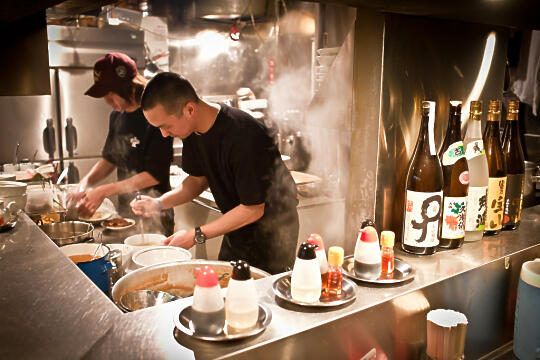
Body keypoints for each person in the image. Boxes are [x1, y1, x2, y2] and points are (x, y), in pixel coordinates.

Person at [131, 72, 299, 274]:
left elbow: (253, 209)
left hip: (273, 234)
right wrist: (158, 203)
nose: (164, 134)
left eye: (165, 126)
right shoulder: (192, 132)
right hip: (237, 227)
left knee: (256, 298)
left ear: (190, 109)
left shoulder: (244, 135)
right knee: (225, 288)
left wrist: (196, 235)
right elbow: (196, 180)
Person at [69, 52, 174, 235]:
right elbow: (110, 159)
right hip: (125, 214)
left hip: (155, 213)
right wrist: (85, 184)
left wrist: (103, 191)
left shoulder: (156, 114)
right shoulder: (117, 116)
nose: (107, 102)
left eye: (109, 94)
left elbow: (154, 175)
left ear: (127, 86)